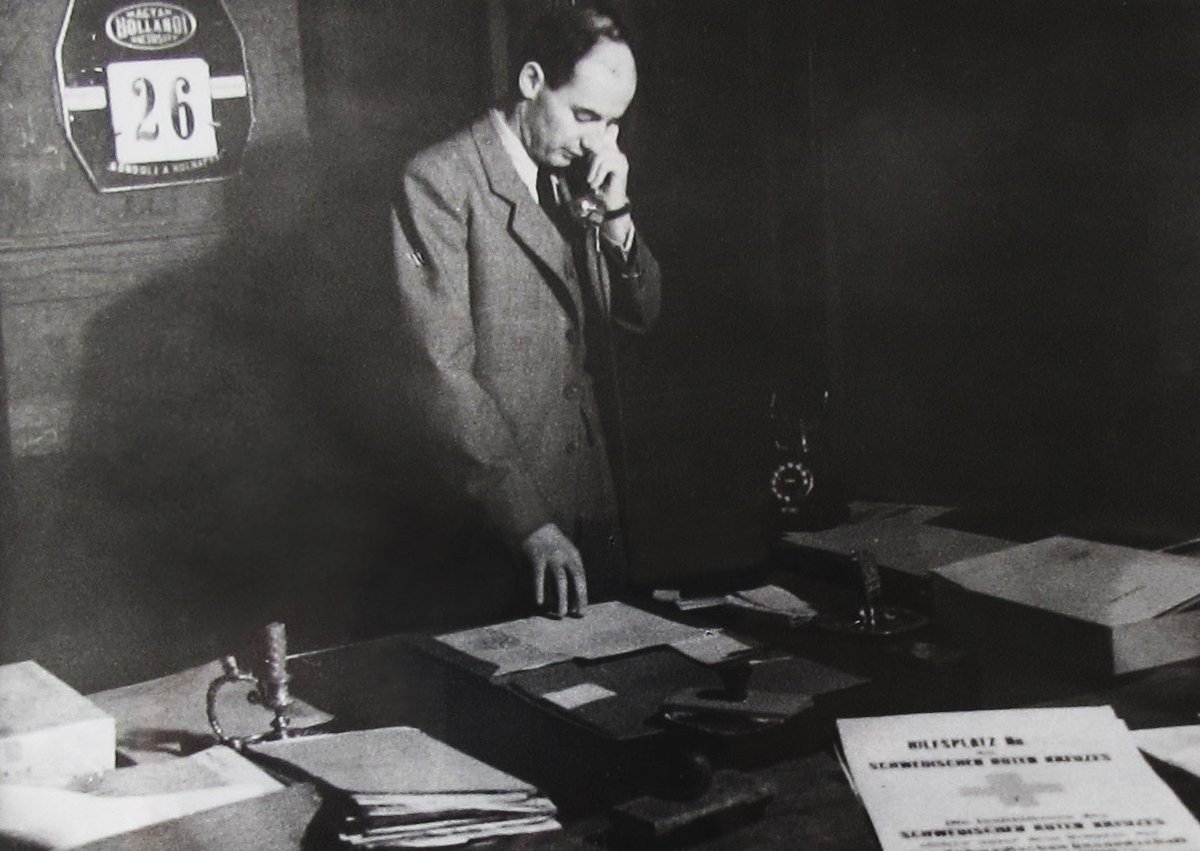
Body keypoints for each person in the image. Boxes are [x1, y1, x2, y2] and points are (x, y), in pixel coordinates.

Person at [389, 2, 661, 621]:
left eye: (612, 124)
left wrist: (616, 217)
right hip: (503, 516)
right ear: (532, 81)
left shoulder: (575, 175)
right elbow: (440, 372)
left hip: (590, 498)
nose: (597, 142)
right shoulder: (439, 180)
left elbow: (642, 315)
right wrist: (528, 522)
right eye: (585, 116)